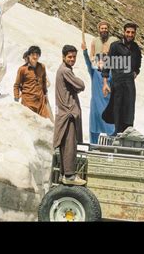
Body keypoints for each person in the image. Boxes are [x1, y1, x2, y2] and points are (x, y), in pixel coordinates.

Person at [53, 45, 86, 186]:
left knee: (67, 144)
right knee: (69, 145)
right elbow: (81, 85)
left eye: (74, 57)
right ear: (63, 57)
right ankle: (69, 175)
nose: (72, 59)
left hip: (66, 114)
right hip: (68, 115)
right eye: (69, 57)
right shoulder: (65, 71)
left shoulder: (64, 70)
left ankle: (65, 173)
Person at [102, 22, 142, 135]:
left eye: (132, 32)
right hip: (117, 81)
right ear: (124, 32)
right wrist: (105, 82)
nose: (130, 34)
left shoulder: (136, 48)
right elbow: (107, 64)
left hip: (129, 82)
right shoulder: (115, 46)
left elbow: (138, 64)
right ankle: (117, 132)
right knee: (117, 107)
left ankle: (127, 132)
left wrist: (136, 72)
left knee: (129, 108)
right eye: (128, 32)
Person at [81, 40, 115, 144]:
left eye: (104, 61)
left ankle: (110, 150)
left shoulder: (111, 75)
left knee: (111, 129)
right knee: (94, 129)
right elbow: (88, 63)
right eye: (99, 61)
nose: (101, 63)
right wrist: (85, 51)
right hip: (95, 105)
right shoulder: (94, 73)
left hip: (107, 105)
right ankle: (93, 149)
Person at [13, 46, 50, 119]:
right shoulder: (22, 69)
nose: (35, 56)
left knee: (45, 123)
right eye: (33, 54)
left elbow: (44, 81)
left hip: (41, 101)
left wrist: (45, 94)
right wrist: (16, 97)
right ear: (29, 55)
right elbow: (16, 85)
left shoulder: (42, 67)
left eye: (37, 55)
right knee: (31, 125)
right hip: (28, 101)